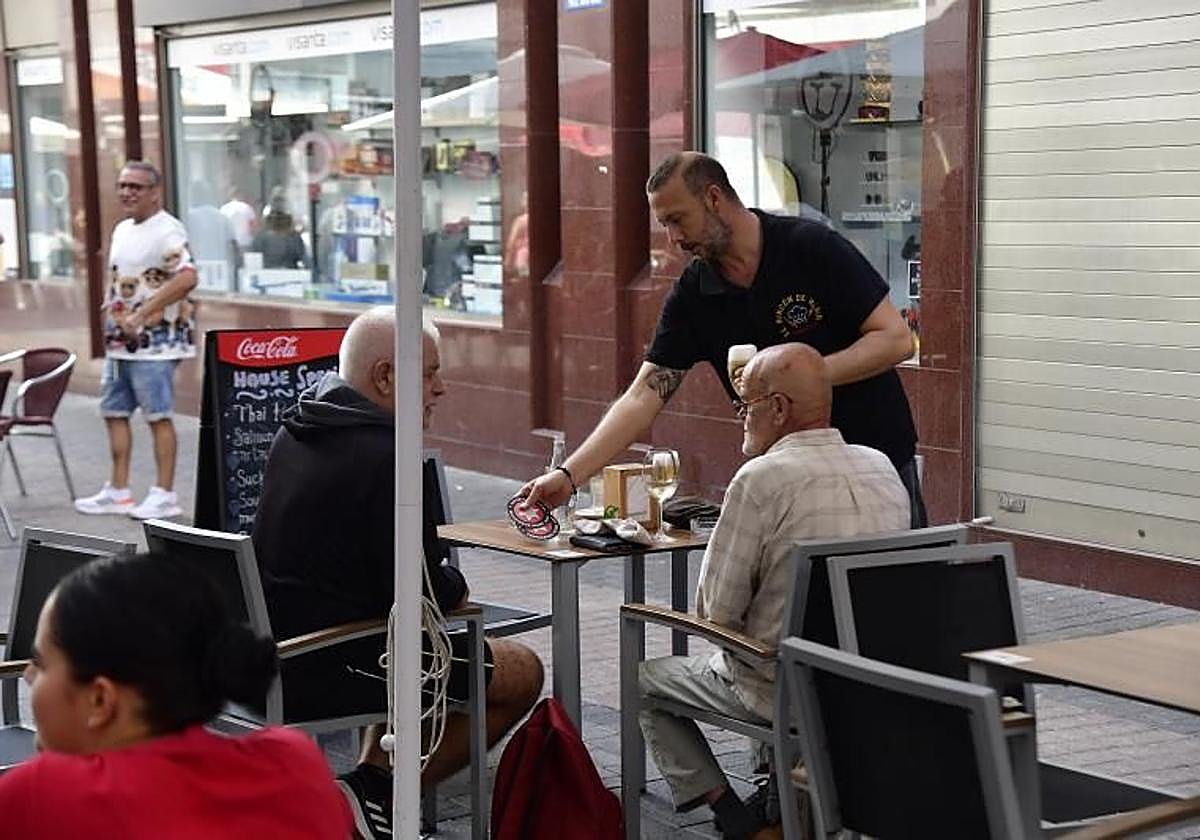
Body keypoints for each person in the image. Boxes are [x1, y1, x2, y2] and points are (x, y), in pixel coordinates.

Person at [253, 306, 543, 839]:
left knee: (404, 643)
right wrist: (456, 584)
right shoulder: (389, 458)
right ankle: (374, 791)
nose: (441, 388)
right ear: (386, 377)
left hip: (274, 650)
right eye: (429, 373)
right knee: (522, 669)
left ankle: (372, 793)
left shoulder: (296, 430)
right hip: (327, 662)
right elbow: (430, 596)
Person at [524, 151, 927, 528]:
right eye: (664, 224)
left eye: (678, 219)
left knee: (886, 598)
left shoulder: (809, 247)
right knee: (791, 601)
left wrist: (799, 378)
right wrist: (569, 476)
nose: (672, 238)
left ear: (713, 198)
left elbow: (895, 340)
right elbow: (643, 397)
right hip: (784, 480)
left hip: (876, 463)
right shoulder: (695, 293)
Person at [638, 343, 910, 839]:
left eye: (747, 404)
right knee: (767, 631)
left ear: (780, 409)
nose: (741, 416)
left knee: (644, 679)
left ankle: (735, 818)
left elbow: (715, 611)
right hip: (868, 684)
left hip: (783, 691)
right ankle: (779, 801)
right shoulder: (882, 467)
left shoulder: (761, 480)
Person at [0, 552, 351, 837]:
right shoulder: (294, 762)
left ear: (100, 700)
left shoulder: (41, 798)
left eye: (41, 663)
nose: (29, 676)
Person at [74, 160, 198, 521]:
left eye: (137, 187)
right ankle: (118, 490)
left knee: (157, 415)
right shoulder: (122, 229)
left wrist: (142, 313)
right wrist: (112, 307)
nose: (127, 192)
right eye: (123, 185)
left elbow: (188, 276)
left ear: (155, 192)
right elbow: (121, 276)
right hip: (120, 343)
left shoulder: (168, 230)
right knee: (114, 412)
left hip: (157, 343)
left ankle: (164, 494)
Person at [251, 193, 311, 269]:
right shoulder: (262, 238)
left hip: (290, 275)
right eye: (276, 218)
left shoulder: (293, 237)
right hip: (268, 275)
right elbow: (254, 261)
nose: (279, 221)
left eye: (281, 218)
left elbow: (303, 258)